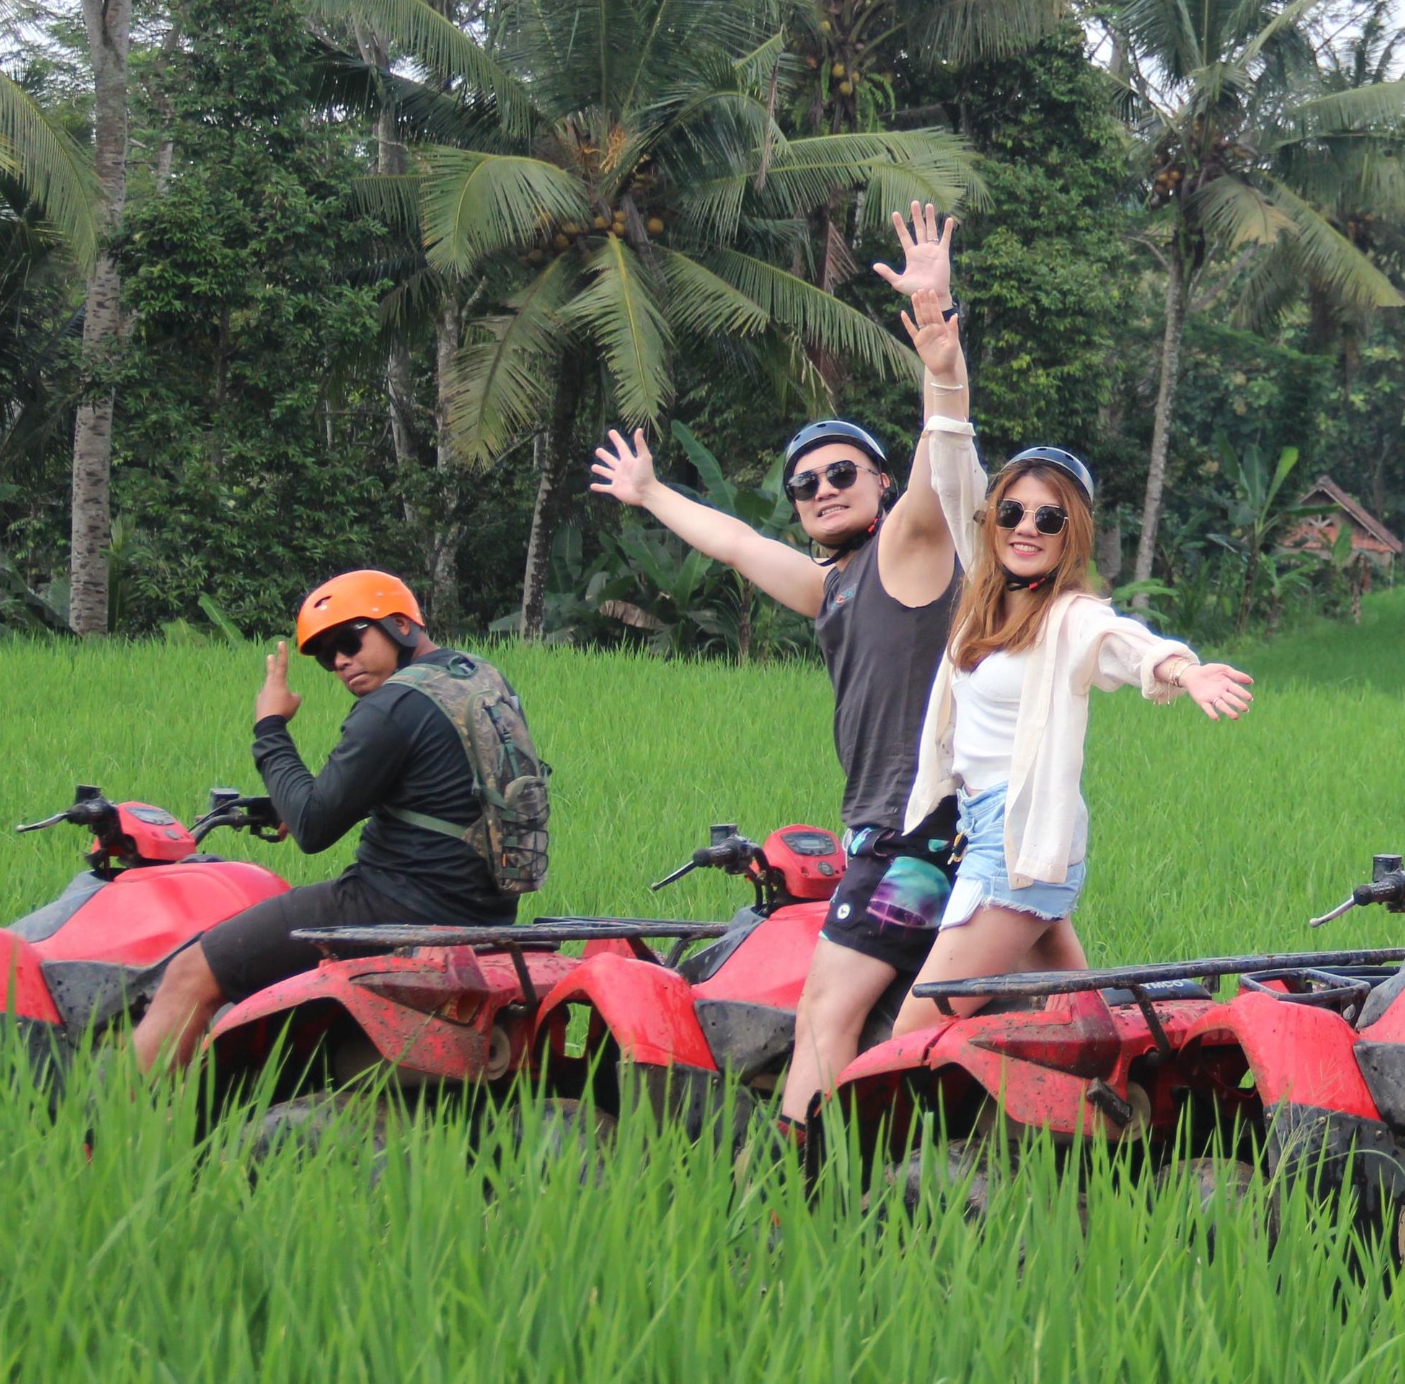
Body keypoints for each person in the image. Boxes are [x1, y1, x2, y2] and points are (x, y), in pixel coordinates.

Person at [588, 201, 982, 1132]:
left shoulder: (910, 552)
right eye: (804, 484)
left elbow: (945, 454)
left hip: (914, 832)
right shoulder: (832, 586)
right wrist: (649, 492)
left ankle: (795, 1193)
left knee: (825, 1011)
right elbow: (732, 543)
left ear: (881, 486)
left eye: (843, 473)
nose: (821, 491)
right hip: (903, 833)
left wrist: (941, 346)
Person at [888, 445, 1255, 1033]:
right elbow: (954, 476)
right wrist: (943, 372)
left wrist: (1185, 671)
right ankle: (1120, 1111)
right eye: (1012, 512)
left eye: (1048, 518)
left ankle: (849, 1124)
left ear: (1070, 535)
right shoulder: (983, 600)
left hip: (1019, 849)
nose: (1026, 528)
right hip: (988, 830)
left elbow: (1124, 641)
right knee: (1078, 1031)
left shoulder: (1070, 617)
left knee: (915, 1027)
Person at [132, 571, 536, 1068]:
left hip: (397, 904)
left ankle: (116, 1134)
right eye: (328, 656)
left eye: (350, 640)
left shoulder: (391, 707)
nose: (341, 661)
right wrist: (296, 800)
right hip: (486, 910)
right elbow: (436, 782)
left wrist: (270, 726)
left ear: (400, 625)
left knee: (191, 972)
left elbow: (313, 828)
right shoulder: (478, 677)